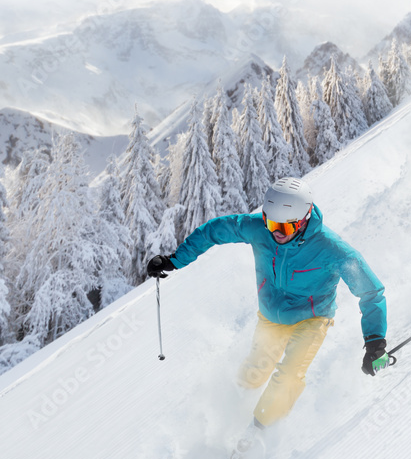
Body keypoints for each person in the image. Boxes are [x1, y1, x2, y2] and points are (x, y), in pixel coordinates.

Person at [147, 177, 388, 429]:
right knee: (254, 371)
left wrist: (375, 341)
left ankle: (259, 431)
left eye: (284, 228)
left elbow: (370, 292)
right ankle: (228, 419)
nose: (275, 233)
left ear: (304, 220)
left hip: (312, 318)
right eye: (271, 223)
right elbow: (213, 231)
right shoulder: (258, 229)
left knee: (289, 375)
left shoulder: (332, 250)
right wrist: (174, 261)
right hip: (271, 316)